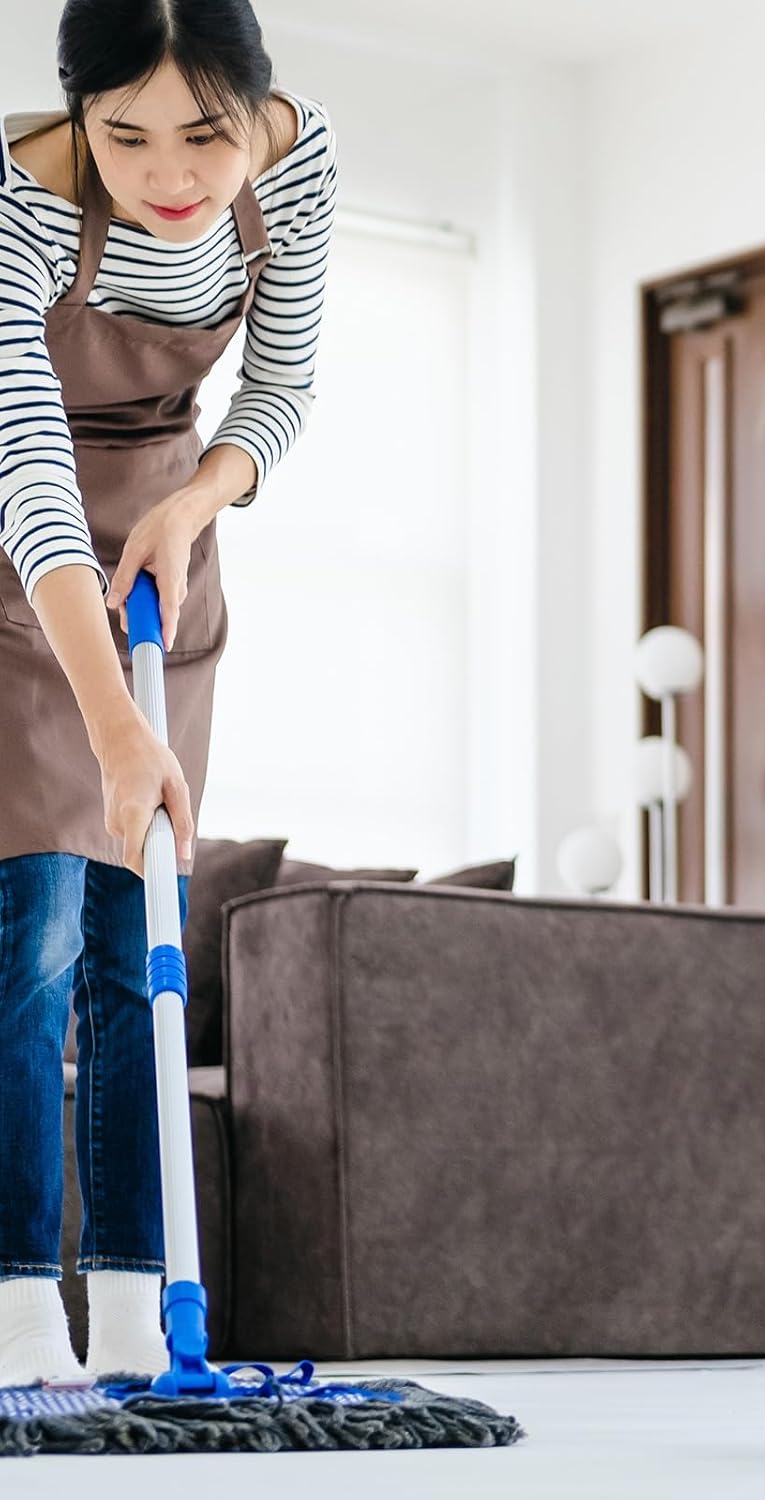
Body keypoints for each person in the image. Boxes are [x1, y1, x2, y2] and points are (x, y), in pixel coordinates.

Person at [0, 0, 336, 1385]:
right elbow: (24, 470)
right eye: (123, 136)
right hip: (24, 561)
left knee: (146, 945)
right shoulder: (18, 207)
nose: (168, 174)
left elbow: (283, 384)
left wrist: (198, 503)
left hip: (165, 557)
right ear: (78, 119)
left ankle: (136, 1318)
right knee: (33, 937)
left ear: (254, 110)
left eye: (205, 133)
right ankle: (21, 1317)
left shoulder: (298, 169)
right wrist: (112, 722)